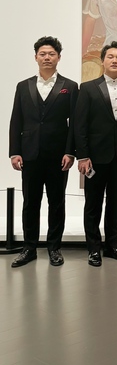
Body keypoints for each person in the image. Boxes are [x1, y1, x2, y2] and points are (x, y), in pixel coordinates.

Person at [9, 37, 79, 268]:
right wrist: (14, 152)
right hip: (29, 154)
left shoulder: (70, 86)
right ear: (36, 57)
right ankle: (29, 248)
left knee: (56, 203)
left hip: (59, 155)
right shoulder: (23, 86)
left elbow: (75, 123)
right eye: (43, 54)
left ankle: (54, 248)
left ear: (59, 57)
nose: (47, 57)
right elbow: (16, 120)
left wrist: (70, 152)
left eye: (51, 54)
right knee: (30, 202)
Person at [75, 41, 117, 267]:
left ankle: (112, 245)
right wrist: (83, 156)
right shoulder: (87, 88)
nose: (114, 60)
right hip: (94, 157)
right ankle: (93, 248)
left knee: (115, 203)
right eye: (110, 56)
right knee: (93, 204)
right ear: (103, 60)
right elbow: (80, 125)